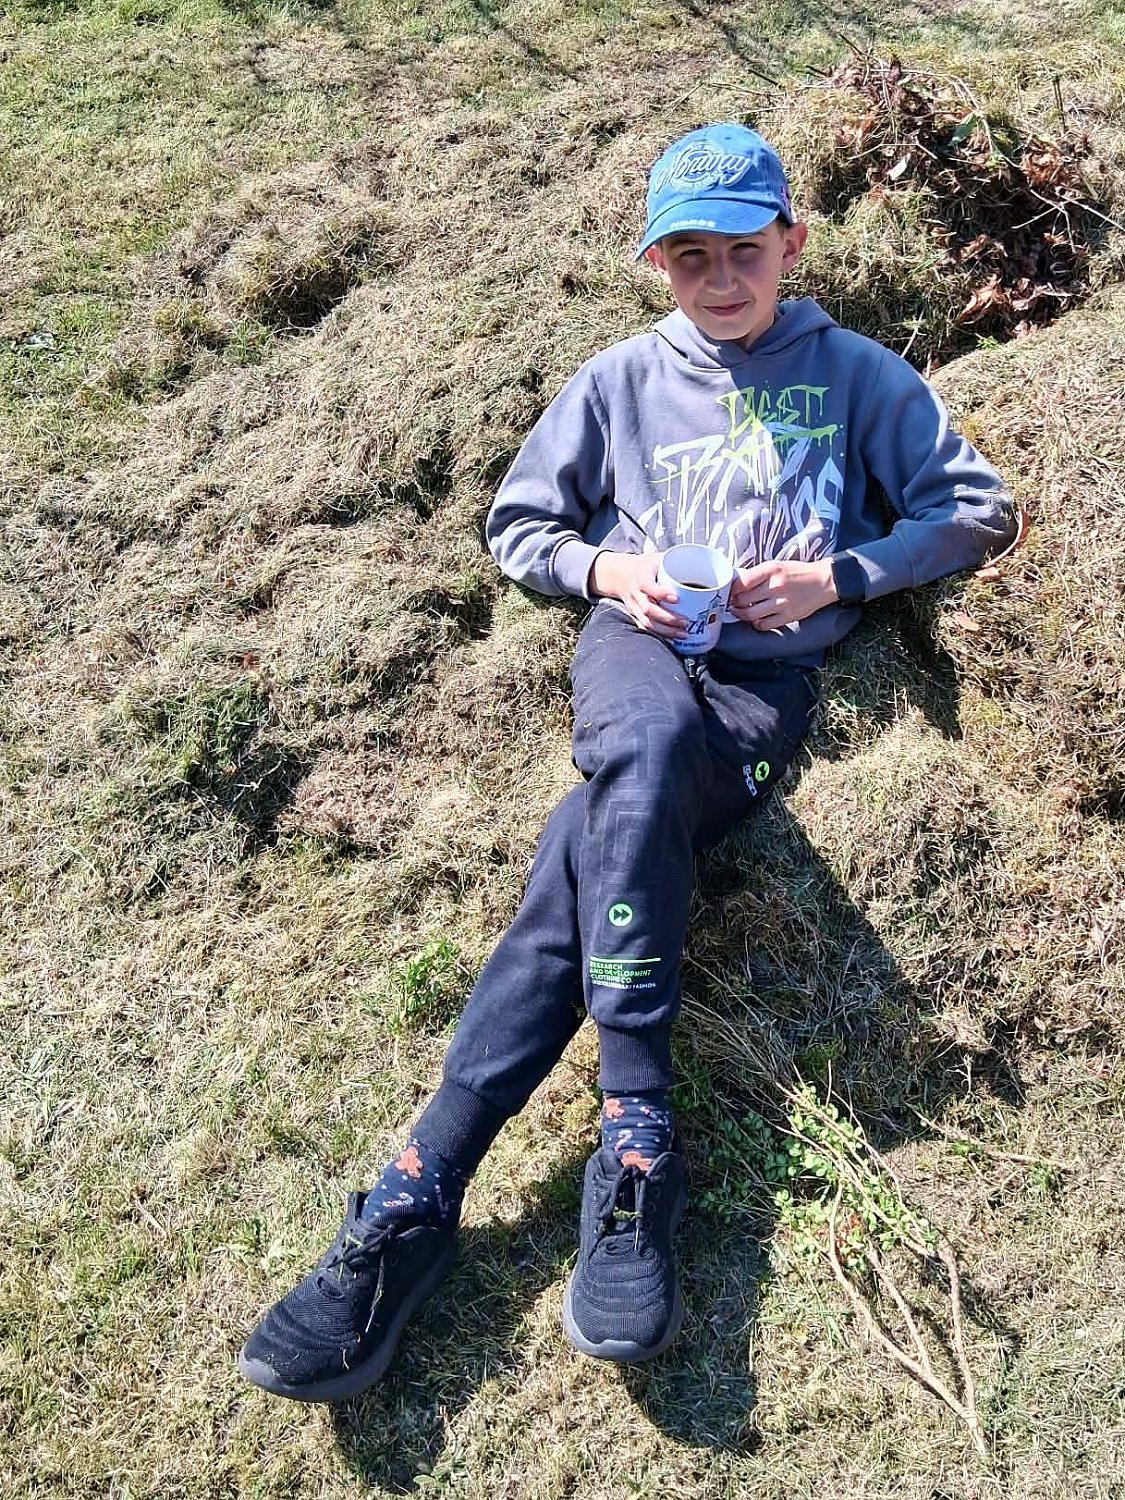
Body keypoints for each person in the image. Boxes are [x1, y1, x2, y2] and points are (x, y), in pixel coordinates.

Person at [236, 123, 1017, 1401]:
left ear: (793, 244)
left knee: (590, 836)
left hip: (761, 689)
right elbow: (520, 523)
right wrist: (611, 571)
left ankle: (418, 1190)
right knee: (643, 745)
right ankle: (638, 1125)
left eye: (745, 250)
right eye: (690, 257)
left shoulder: (859, 375)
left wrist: (839, 576)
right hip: (636, 653)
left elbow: (976, 508)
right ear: (657, 264)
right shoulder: (617, 381)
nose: (722, 279)